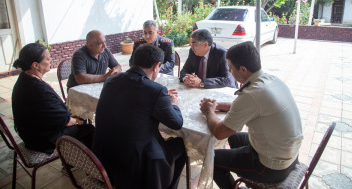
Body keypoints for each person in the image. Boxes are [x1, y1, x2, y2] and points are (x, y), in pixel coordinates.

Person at [200, 41, 303, 189]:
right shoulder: (270, 80)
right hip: (289, 154)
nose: (229, 71)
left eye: (230, 67)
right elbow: (243, 106)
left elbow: (220, 132)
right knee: (234, 136)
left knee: (212, 159)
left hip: (272, 167)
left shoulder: (251, 94)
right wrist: (216, 105)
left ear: (242, 69)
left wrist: (208, 111)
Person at [93, 44, 186, 189]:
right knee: (181, 144)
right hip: (136, 165)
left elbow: (133, 100)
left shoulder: (110, 81)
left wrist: (160, 100)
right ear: (156, 66)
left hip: (103, 157)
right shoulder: (156, 90)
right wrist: (173, 103)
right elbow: (177, 123)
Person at [12, 43, 95, 154]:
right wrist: (77, 121)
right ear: (35, 65)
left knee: (80, 118)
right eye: (48, 59)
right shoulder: (38, 90)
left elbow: (50, 112)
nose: (51, 60)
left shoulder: (25, 78)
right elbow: (64, 121)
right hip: (40, 140)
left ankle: (72, 159)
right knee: (88, 129)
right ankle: (92, 164)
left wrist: (73, 118)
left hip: (32, 132)